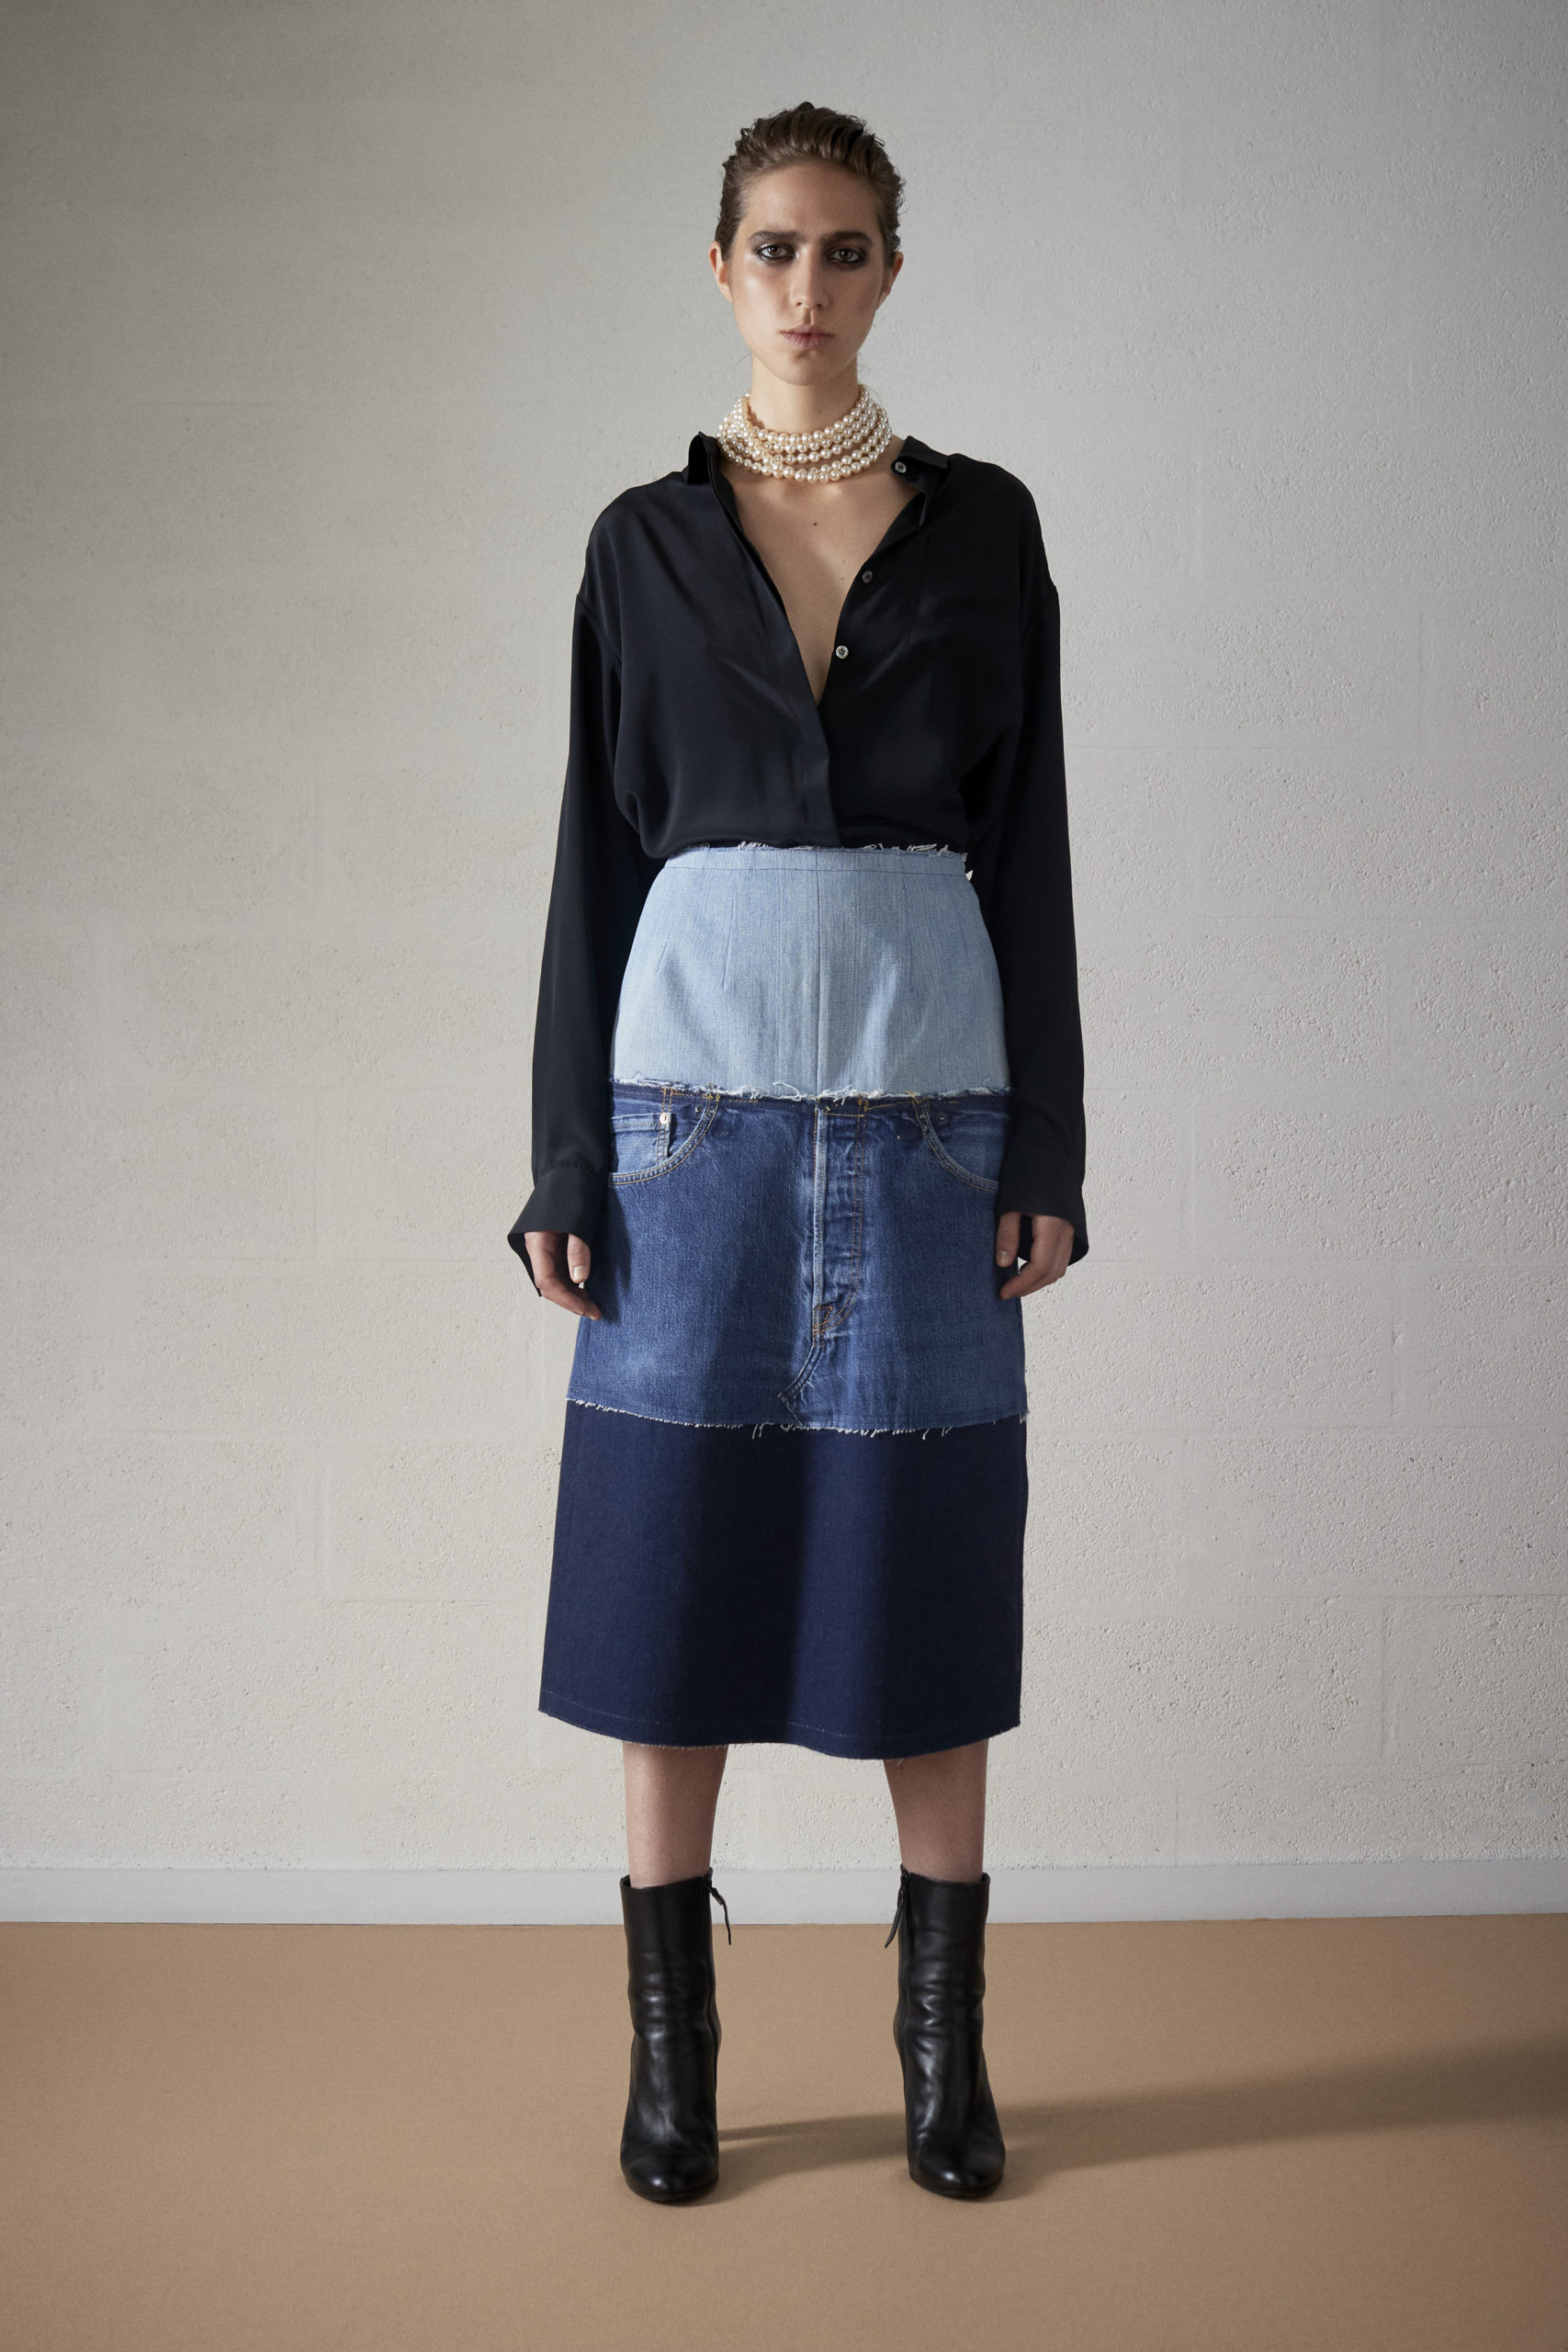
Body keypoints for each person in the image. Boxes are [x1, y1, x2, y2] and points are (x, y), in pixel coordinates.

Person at [509, 101, 1089, 2205]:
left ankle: (942, 2053)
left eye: (845, 249)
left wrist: (1048, 1140)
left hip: (931, 1130)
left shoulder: (984, 528)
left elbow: (1027, 846)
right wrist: (564, 1157)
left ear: (888, 271)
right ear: (720, 267)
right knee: (668, 1578)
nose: (807, 286)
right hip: (684, 1130)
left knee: (922, 1569)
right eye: (773, 246)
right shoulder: (639, 546)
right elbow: (590, 864)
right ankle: (674, 2061)